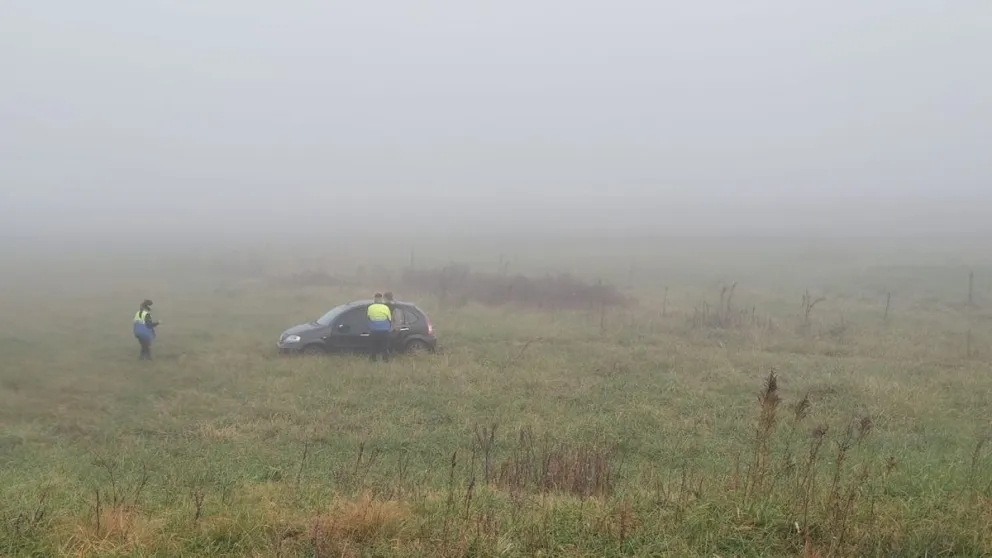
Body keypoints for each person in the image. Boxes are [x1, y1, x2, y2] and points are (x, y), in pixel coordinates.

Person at [366, 293, 392, 362]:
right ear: (381, 299)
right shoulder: (386, 308)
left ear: (374, 299)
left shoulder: (370, 308)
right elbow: (389, 319)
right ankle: (386, 361)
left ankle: (373, 361)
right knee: (385, 348)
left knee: (373, 348)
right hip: (384, 331)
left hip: (374, 331)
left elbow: (368, 318)